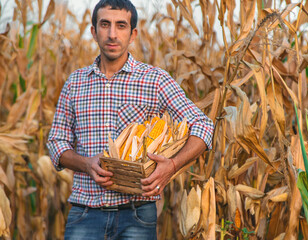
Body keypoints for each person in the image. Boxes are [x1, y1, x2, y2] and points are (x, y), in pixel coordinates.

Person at [47, 0, 214, 239]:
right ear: (94, 31)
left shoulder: (155, 81)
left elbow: (203, 125)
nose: (112, 34)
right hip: (85, 213)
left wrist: (172, 166)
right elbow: (57, 142)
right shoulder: (75, 83)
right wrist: (86, 164)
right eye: (105, 24)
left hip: (136, 214)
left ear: (133, 33)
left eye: (121, 26)